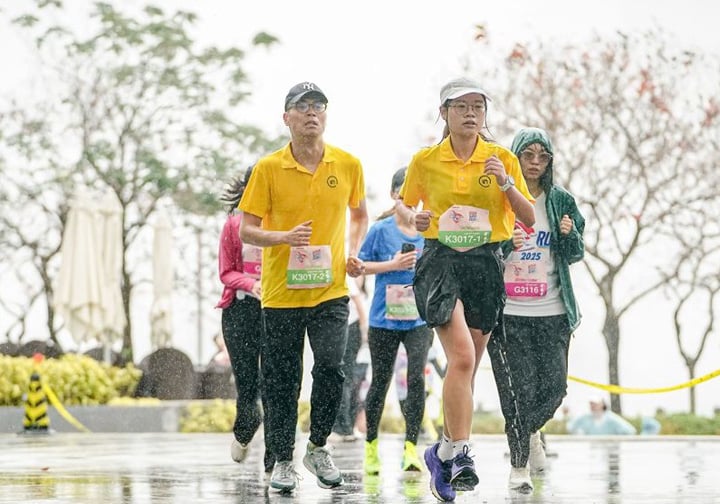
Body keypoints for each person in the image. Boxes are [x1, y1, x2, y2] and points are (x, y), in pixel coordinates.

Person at [395, 77, 535, 502]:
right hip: (440, 260)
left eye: (478, 106)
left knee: (467, 369)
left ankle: (442, 451)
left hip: (486, 261)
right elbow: (403, 205)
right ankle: (462, 455)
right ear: (444, 113)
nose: (471, 113)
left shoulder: (501, 158)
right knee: (462, 356)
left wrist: (506, 183)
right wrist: (413, 220)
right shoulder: (425, 159)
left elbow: (528, 216)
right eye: (461, 106)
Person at [239, 81, 368, 492]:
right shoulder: (268, 168)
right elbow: (247, 230)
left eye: (319, 106)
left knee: (332, 368)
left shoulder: (348, 164)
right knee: (282, 380)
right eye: (303, 106)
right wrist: (284, 238)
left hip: (330, 290)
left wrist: (354, 250)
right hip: (280, 295)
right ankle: (281, 460)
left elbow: (360, 214)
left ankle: (317, 445)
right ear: (287, 117)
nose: (312, 112)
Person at [486, 126, 586, 492]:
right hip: (510, 312)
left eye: (542, 157)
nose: (534, 163)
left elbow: (576, 253)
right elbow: (484, 254)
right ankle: (518, 466)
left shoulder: (561, 201)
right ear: (515, 157)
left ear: (550, 162)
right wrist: (505, 244)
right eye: (527, 155)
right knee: (517, 392)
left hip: (554, 311)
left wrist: (567, 234)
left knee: (555, 388)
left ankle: (527, 432)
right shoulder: (500, 199)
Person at [359, 167, 432, 476]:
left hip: (418, 318)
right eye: (406, 197)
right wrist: (394, 264)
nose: (412, 205)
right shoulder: (380, 230)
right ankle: (371, 446)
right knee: (381, 380)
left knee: (416, 379)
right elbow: (359, 267)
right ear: (394, 196)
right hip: (383, 319)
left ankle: (411, 448)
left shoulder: (431, 232)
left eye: (418, 199)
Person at [214, 166, 274, 473]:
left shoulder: (283, 225)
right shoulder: (233, 225)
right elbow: (226, 272)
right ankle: (245, 424)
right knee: (248, 384)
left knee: (275, 382)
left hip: (276, 311)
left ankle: (275, 454)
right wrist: (252, 284)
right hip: (240, 313)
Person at [329, 274, 369, 442]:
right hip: (351, 329)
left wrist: (364, 330)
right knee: (349, 378)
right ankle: (347, 426)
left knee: (343, 378)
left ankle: (342, 427)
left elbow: (359, 303)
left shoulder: (346, 275)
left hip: (349, 328)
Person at [566, 396, 637, 435]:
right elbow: (570, 426)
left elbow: (630, 431)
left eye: (595, 403)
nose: (593, 406)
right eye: (591, 403)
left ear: (602, 404)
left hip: (609, 451)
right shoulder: (586, 417)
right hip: (591, 452)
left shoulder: (611, 418)